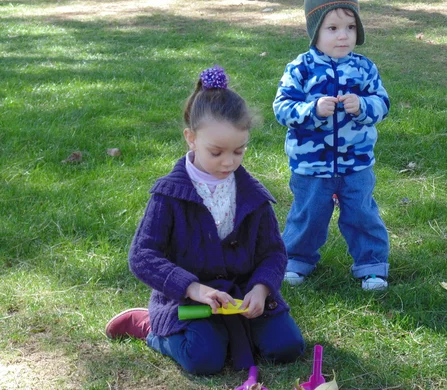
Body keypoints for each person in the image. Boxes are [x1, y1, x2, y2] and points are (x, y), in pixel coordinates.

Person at [105, 66, 304, 375]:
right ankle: (150, 327)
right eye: (216, 152)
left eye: (239, 151)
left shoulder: (252, 194)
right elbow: (142, 256)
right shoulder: (169, 195)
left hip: (241, 294)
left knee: (287, 348)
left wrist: (261, 289)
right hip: (191, 299)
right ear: (191, 139)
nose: (228, 161)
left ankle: (239, 333)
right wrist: (193, 288)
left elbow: (273, 252)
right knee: (203, 360)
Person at [273, 0, 391, 291]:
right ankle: (296, 259)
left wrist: (363, 105)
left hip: (356, 163)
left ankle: (371, 264)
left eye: (351, 27)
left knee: (362, 214)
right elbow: (282, 108)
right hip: (311, 165)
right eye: (333, 28)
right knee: (308, 214)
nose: (343, 36)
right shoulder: (301, 69)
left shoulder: (365, 69)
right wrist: (311, 109)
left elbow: (382, 103)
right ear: (315, 30)